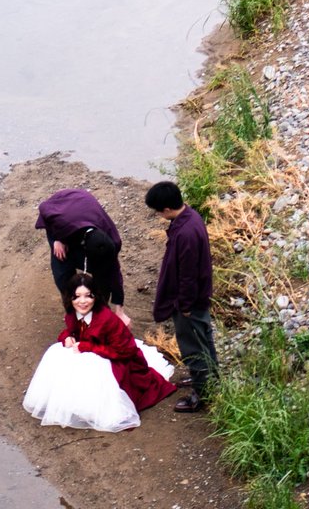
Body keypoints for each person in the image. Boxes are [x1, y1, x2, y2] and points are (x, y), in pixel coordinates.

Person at [22, 272, 177, 432]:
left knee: (92, 365)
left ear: (95, 296)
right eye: (77, 297)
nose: (82, 302)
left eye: (88, 296)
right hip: (88, 350)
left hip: (116, 358)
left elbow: (124, 350)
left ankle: (94, 404)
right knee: (57, 353)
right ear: (71, 298)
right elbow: (72, 331)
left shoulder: (107, 319)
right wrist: (67, 337)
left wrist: (89, 347)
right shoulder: (72, 313)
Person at [145, 180, 219, 413]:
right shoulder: (190, 217)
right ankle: (211, 379)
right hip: (199, 299)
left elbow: (188, 276)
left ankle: (202, 393)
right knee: (204, 340)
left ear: (167, 209)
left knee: (192, 348)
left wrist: (185, 306)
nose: (157, 214)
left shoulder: (185, 233)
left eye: (158, 210)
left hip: (190, 303)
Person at [35, 188, 130, 324]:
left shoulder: (112, 242)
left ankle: (100, 311)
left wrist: (120, 309)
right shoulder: (62, 223)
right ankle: (72, 311)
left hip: (87, 220)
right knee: (62, 275)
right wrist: (56, 239)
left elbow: (114, 274)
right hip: (66, 220)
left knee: (104, 276)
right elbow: (44, 208)